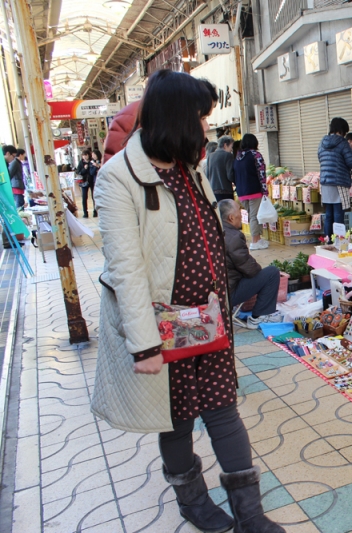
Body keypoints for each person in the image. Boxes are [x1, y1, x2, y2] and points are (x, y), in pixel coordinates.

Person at [92, 69, 285, 533]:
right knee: (176, 420)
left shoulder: (188, 168)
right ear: (179, 117)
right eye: (202, 117)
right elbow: (126, 268)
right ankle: (193, 503)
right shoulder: (118, 178)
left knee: (223, 411)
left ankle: (251, 516)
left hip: (208, 320)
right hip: (161, 327)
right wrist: (144, 345)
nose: (206, 127)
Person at [219, 199, 283, 329]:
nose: (242, 213)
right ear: (231, 217)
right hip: (228, 293)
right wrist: (259, 272)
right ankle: (259, 317)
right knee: (271, 273)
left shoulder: (214, 230)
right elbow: (250, 269)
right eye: (239, 210)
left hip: (216, 290)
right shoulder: (233, 237)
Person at [318, 117, 352, 238]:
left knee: (329, 214)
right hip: (339, 181)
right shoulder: (342, 143)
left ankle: (328, 240)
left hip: (325, 182)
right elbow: (350, 161)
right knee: (338, 213)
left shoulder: (322, 142)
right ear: (342, 130)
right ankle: (339, 242)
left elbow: (320, 158)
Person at [233, 133, 270, 250]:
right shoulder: (256, 155)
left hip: (241, 193)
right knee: (254, 216)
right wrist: (264, 190)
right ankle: (255, 241)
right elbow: (261, 174)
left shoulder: (238, 157)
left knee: (252, 215)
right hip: (254, 190)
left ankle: (258, 239)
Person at [207, 135, 236, 202]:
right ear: (225, 145)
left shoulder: (210, 156)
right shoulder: (228, 155)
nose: (231, 149)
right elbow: (230, 175)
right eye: (231, 147)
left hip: (213, 191)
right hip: (226, 190)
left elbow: (207, 174)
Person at [76, 149, 96, 217]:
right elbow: (78, 172)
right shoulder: (81, 163)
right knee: (84, 197)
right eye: (83, 155)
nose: (84, 157)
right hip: (84, 182)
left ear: (88, 155)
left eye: (86, 155)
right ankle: (85, 213)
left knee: (94, 197)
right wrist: (84, 169)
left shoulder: (92, 161)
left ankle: (95, 212)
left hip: (92, 181)